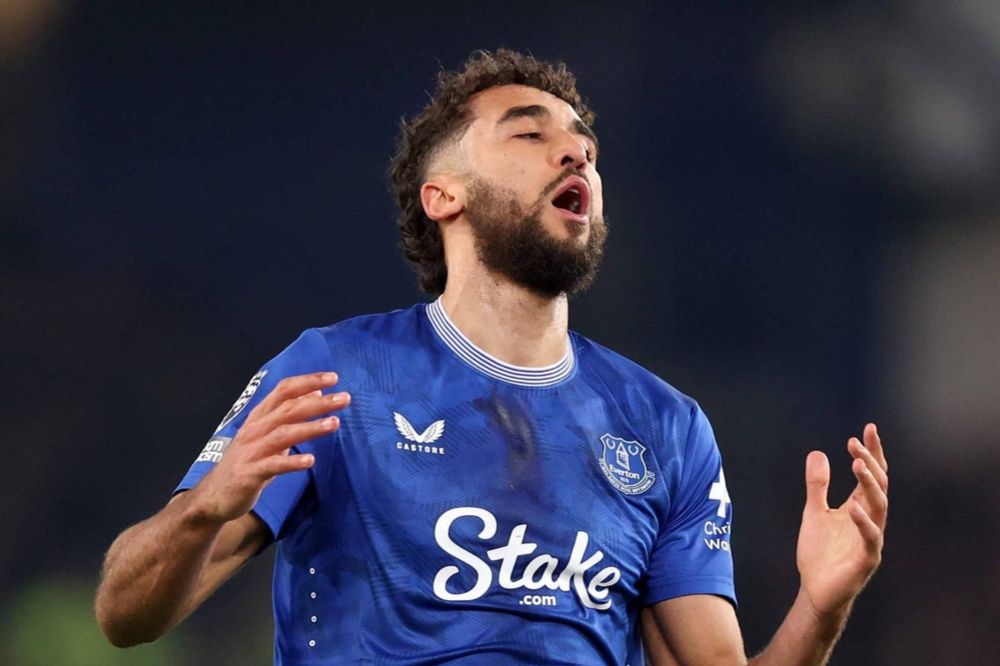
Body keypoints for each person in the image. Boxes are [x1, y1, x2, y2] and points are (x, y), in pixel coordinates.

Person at [95, 49, 889, 665]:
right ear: (444, 195)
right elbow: (123, 615)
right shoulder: (339, 375)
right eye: (530, 133)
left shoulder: (664, 427)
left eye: (586, 146)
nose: (575, 154)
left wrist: (818, 611)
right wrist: (204, 507)